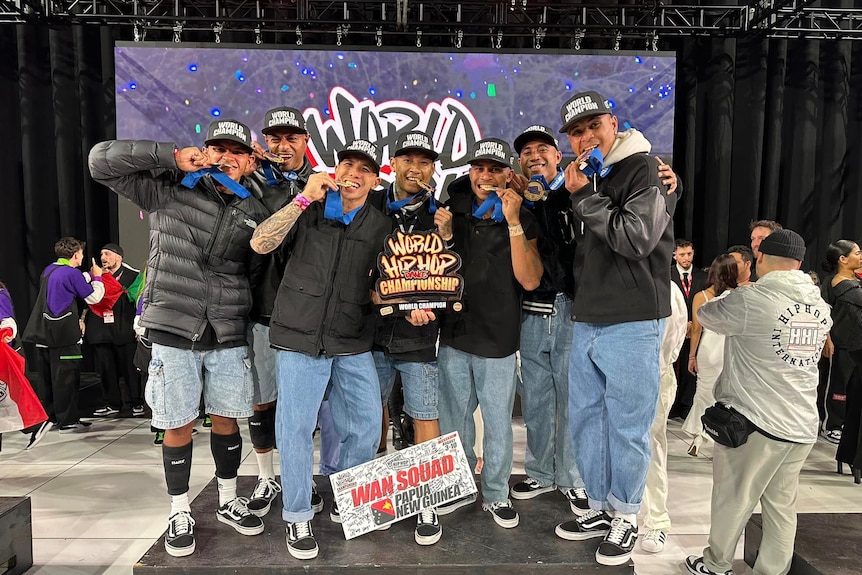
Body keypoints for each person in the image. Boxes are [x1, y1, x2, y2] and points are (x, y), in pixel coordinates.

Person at [88, 119, 271, 557]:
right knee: (176, 422)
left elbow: (260, 270)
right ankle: (178, 508)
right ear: (205, 151)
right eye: (218, 148)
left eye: (237, 151)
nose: (227, 157)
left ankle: (228, 499)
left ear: (249, 161)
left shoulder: (256, 210)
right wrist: (168, 155)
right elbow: (100, 162)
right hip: (174, 328)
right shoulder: (169, 186)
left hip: (228, 329)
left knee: (228, 418)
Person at [250, 139, 391, 560]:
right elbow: (260, 243)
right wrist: (302, 198)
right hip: (298, 335)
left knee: (366, 423)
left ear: (375, 178)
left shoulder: (380, 224)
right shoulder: (308, 209)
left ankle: (347, 496)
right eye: (348, 163)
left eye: (364, 168)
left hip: (350, 340)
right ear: (335, 168)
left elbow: (384, 285)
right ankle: (296, 517)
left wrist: (402, 299)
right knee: (294, 429)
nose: (354, 173)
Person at [551, 90, 676, 567]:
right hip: (588, 316)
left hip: (633, 318)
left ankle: (626, 514)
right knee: (587, 420)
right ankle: (602, 507)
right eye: (576, 132)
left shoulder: (643, 167)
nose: (584, 138)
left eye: (592, 126)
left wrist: (583, 195)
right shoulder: (588, 174)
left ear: (613, 123)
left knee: (628, 426)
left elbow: (635, 238)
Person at [685, 229, 832, 575]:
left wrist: (734, 291)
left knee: (732, 499)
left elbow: (706, 316)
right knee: (781, 506)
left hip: (756, 423)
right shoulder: (819, 304)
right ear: (798, 263)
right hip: (801, 425)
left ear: (761, 259)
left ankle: (716, 565)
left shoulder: (752, 300)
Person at [435, 137, 543, 530]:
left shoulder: (524, 216)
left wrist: (513, 221)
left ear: (507, 174)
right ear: (470, 172)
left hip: (498, 337)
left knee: (497, 422)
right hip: (454, 333)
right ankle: (459, 487)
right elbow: (440, 269)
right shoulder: (454, 211)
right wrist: (446, 236)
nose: (485, 175)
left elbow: (529, 280)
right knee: (454, 419)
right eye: (479, 168)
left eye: (494, 169)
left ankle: (496, 493)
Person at [367, 130, 453, 545]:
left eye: (424, 162)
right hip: (373, 329)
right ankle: (380, 495)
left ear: (433, 168)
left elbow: (449, 272)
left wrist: (431, 303)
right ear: (394, 163)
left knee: (424, 413)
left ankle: (427, 499)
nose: (415, 168)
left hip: (421, 332)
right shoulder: (370, 203)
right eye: (408, 160)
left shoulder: (440, 213)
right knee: (373, 414)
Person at [243, 106, 325, 519]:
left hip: (304, 317)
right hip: (260, 310)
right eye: (275, 137)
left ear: (306, 141)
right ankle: (265, 476)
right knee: (262, 402)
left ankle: (302, 478)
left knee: (301, 409)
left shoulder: (323, 185)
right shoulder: (249, 185)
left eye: (292, 137)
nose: (283, 145)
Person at [507, 125, 588, 513]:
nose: (534, 155)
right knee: (537, 400)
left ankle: (572, 477)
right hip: (532, 312)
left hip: (573, 309)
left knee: (573, 400)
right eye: (526, 151)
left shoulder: (576, 191)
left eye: (543, 148)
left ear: (559, 155)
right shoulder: (522, 201)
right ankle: (540, 472)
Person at [23, 237, 105, 434]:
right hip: (64, 335)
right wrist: (98, 277)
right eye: (81, 254)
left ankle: (52, 418)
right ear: (76, 255)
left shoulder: (49, 270)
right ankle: (67, 421)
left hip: (43, 333)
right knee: (67, 378)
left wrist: (84, 277)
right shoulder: (72, 273)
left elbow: (65, 286)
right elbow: (94, 297)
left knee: (49, 379)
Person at [640, 281, 687, 553]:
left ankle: (656, 521)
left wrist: (655, 369)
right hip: (618, 377)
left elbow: (675, 334)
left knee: (650, 448)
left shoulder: (666, 288)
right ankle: (616, 514)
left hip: (656, 375)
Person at [682, 254, 739, 456]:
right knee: (724, 396)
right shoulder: (739, 296)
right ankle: (716, 436)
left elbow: (696, 330)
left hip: (708, 349)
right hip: (728, 349)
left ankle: (699, 435)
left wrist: (691, 356)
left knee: (703, 393)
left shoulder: (701, 296)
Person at [820, 240, 862, 482]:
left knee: (854, 396)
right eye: (856, 252)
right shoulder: (843, 285)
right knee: (838, 387)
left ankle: (846, 444)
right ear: (842, 259)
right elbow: (825, 313)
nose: (861, 255)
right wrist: (828, 340)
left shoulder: (853, 283)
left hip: (855, 347)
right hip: (847, 344)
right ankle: (833, 424)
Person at [85, 243, 143, 417]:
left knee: (130, 369)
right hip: (100, 329)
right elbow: (87, 299)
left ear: (119, 257)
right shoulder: (94, 276)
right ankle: (112, 403)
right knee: (105, 368)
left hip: (124, 328)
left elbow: (139, 299)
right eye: (102, 254)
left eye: (108, 254)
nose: (103, 258)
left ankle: (136, 402)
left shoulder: (134, 276)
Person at [670, 239, 707, 419]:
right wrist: (680, 323)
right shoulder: (666, 275)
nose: (686, 258)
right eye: (682, 254)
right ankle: (670, 406)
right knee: (670, 367)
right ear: (674, 255)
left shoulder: (702, 277)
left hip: (695, 330)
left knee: (689, 368)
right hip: (673, 330)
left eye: (689, 254)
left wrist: (694, 322)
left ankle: (686, 406)